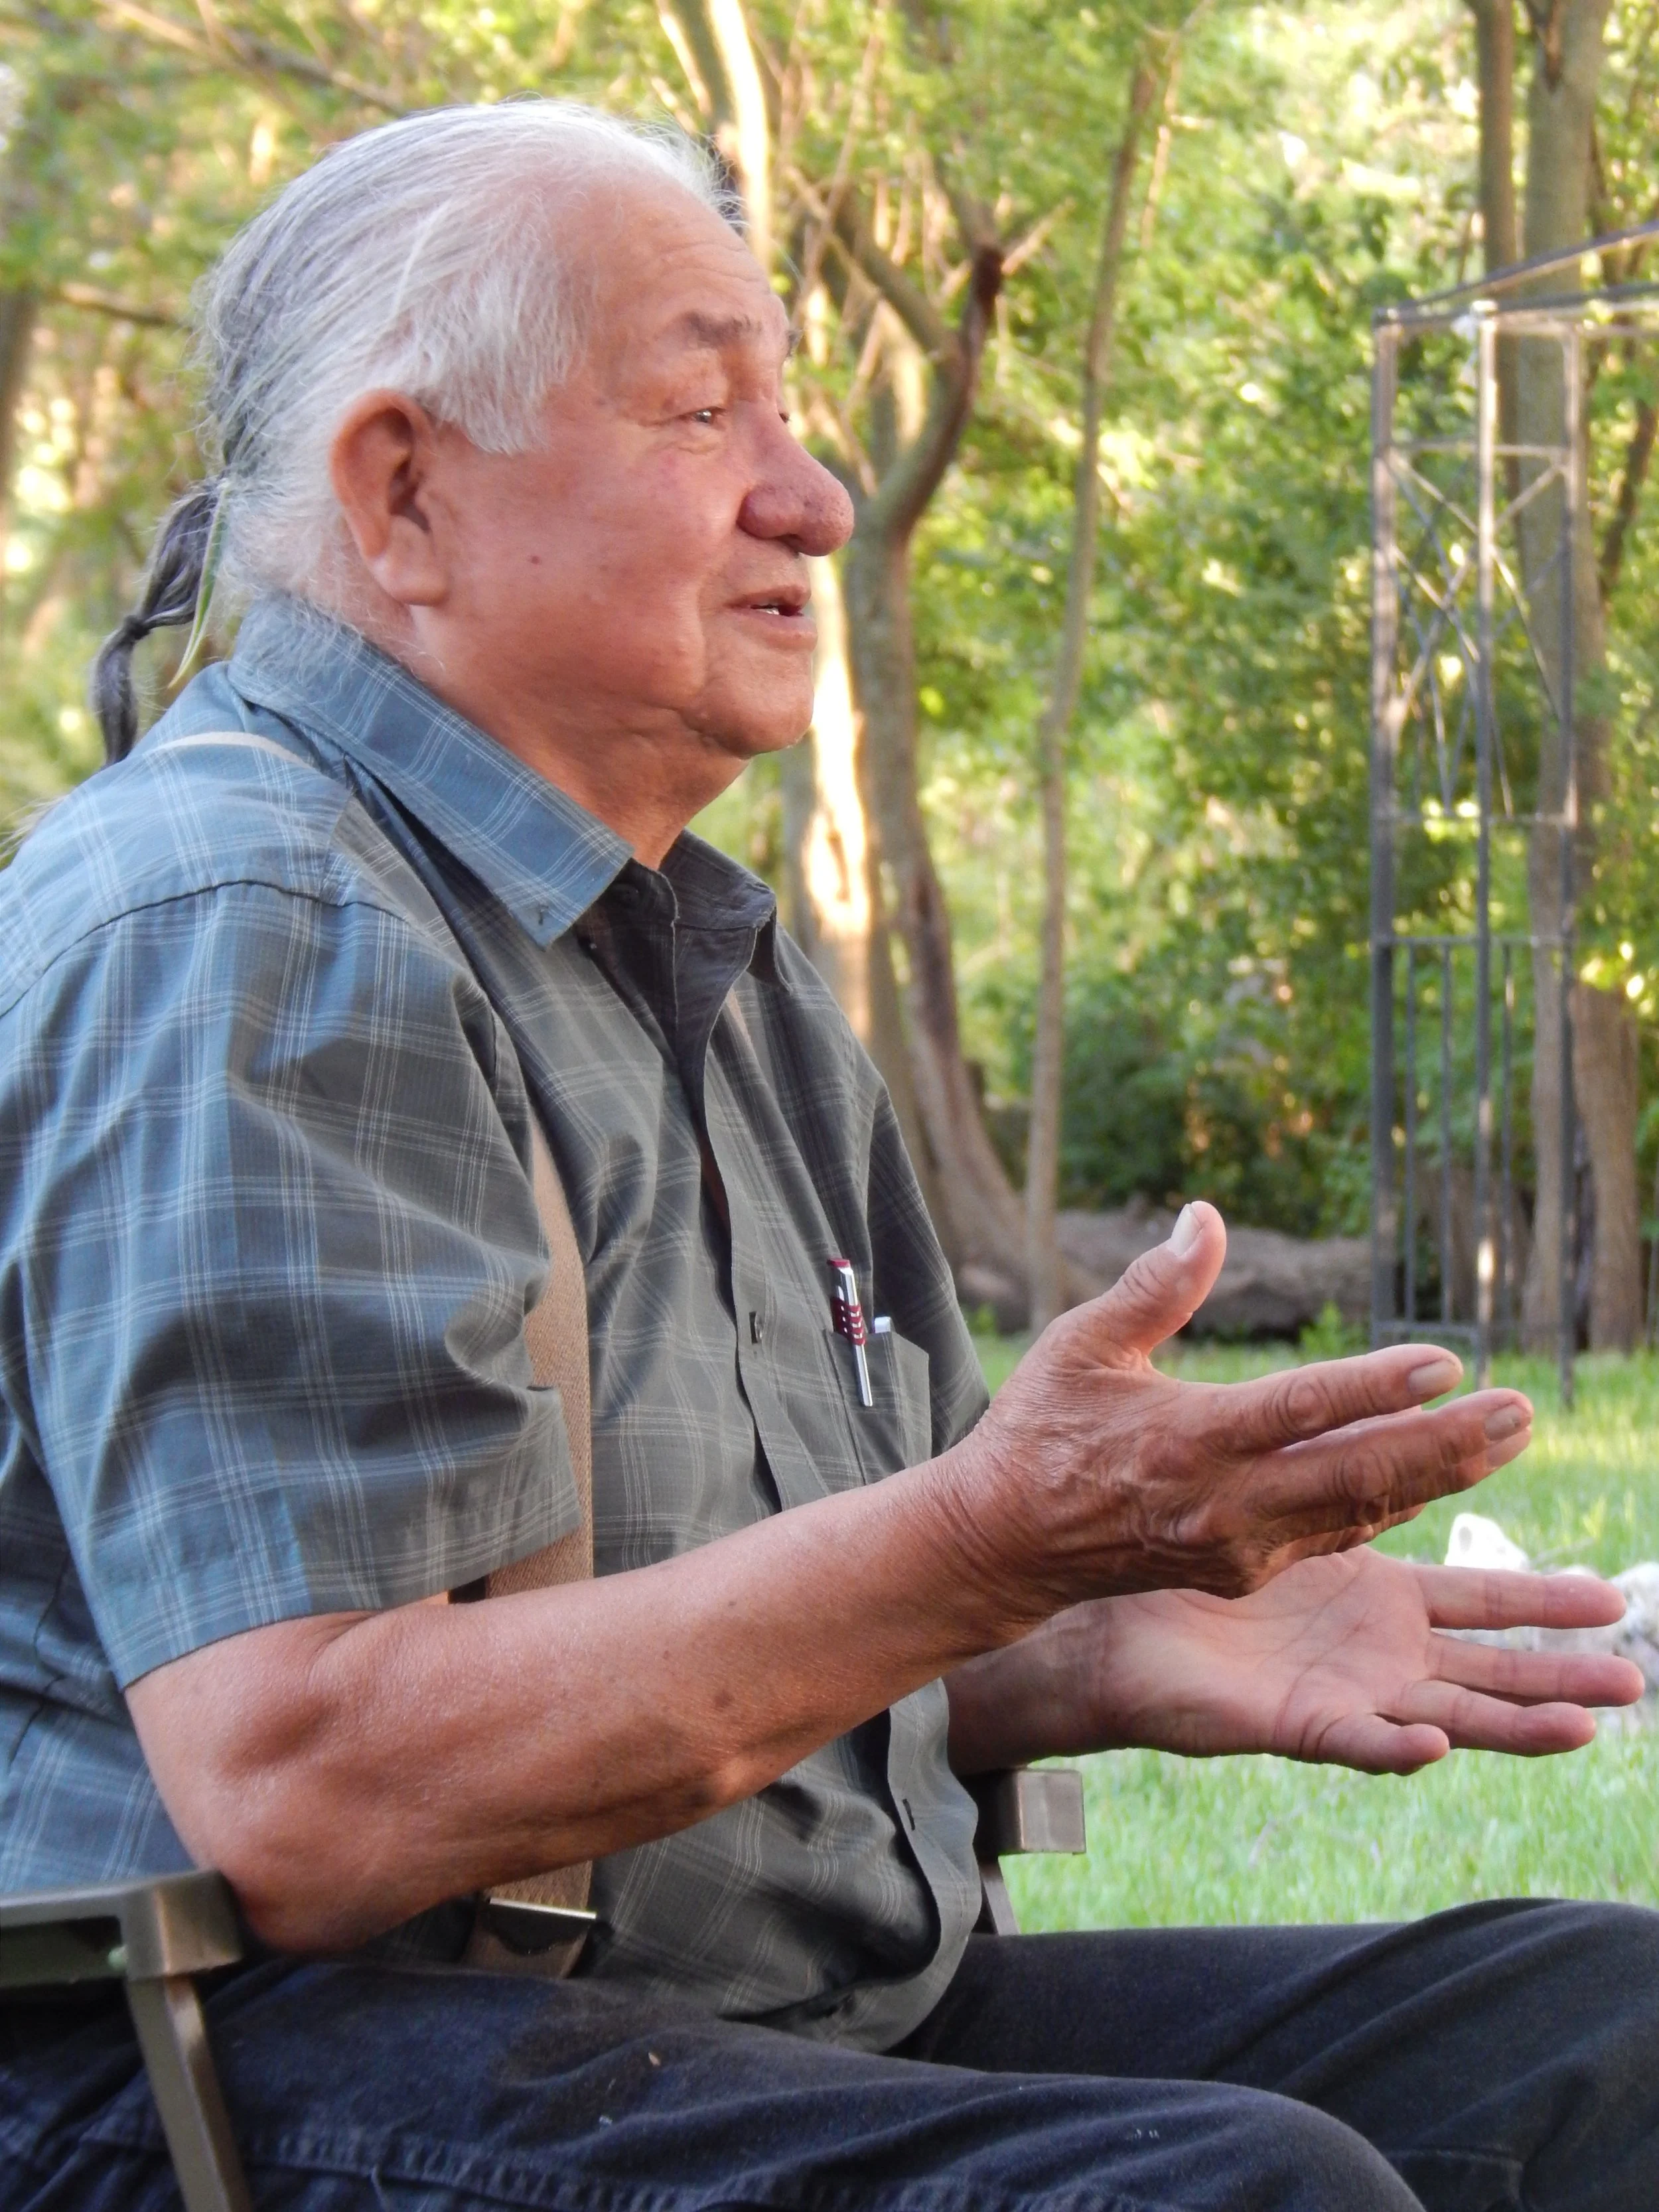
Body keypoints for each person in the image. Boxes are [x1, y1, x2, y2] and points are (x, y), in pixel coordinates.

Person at [0, 102, 1652, 2212]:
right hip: (217, 2074)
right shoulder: (251, 920)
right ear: (401, 495)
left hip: (687, 2032)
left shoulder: (713, 962)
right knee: (1236, 2194)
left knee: (1613, 2035)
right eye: (701, 408)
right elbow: (309, 1788)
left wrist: (1071, 1640)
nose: (815, 489)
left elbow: (766, 1616)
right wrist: (989, 1543)